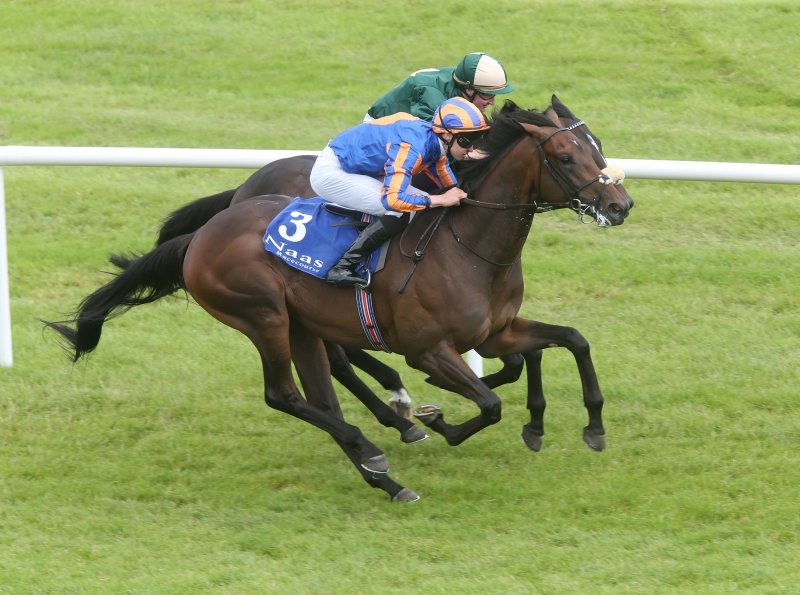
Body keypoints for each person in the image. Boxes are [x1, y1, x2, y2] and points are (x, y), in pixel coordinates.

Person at [310, 97, 491, 288]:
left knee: (419, 202)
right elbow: (393, 199)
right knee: (401, 210)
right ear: (447, 134)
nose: (471, 148)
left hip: (362, 168)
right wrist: (439, 199)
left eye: (475, 140)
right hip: (333, 172)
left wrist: (459, 193)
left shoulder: (434, 140)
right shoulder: (411, 147)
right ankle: (342, 267)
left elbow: (443, 174)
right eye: (467, 140)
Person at [366, 52, 515, 122]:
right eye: (487, 94)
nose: (492, 102)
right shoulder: (433, 99)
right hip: (378, 128)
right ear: (469, 90)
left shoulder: (463, 80)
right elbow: (438, 138)